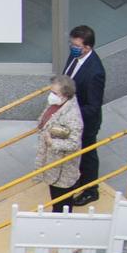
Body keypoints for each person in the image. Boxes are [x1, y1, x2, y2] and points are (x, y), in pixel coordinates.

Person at [63, 26, 106, 206]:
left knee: (88, 155)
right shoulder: (75, 56)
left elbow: (93, 106)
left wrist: (69, 112)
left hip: (85, 122)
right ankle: (80, 179)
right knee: (76, 153)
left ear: (87, 47)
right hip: (71, 115)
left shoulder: (95, 72)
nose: (72, 47)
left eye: (76, 45)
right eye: (72, 43)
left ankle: (91, 190)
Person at [35, 75, 85, 213]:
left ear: (65, 95)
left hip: (63, 168)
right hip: (53, 164)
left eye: (55, 93)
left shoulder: (72, 116)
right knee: (55, 198)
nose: (51, 95)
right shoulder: (56, 105)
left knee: (62, 203)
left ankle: (60, 225)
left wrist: (52, 142)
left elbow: (74, 143)